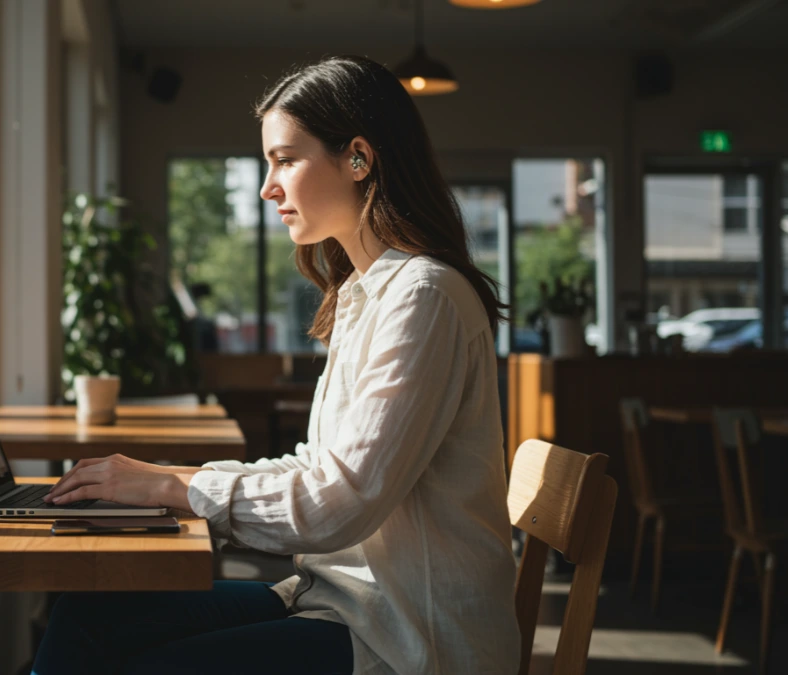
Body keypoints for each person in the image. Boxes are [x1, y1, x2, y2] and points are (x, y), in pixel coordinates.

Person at [32, 55, 520, 675]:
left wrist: (173, 488)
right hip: (339, 604)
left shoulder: (423, 296)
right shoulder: (362, 293)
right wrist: (168, 476)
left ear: (359, 159)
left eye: (285, 160)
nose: (269, 187)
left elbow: (339, 500)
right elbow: (322, 469)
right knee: (87, 614)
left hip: (406, 639)